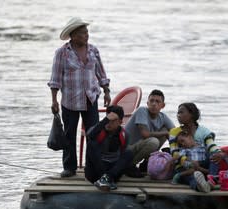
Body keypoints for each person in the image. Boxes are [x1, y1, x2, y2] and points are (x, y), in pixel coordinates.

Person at [48, 17, 111, 178]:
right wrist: (54, 100)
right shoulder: (62, 53)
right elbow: (55, 78)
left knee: (94, 134)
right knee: (69, 134)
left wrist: (106, 91)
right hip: (70, 100)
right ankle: (69, 167)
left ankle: (93, 166)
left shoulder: (93, 50)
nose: (86, 35)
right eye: (82, 33)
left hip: (90, 97)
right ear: (73, 35)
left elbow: (101, 73)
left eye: (87, 32)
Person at [168, 102, 223, 192]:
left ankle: (212, 179)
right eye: (178, 113)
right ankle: (200, 187)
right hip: (184, 167)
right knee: (191, 177)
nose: (178, 115)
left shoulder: (203, 131)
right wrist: (189, 162)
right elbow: (175, 153)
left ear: (191, 114)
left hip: (201, 164)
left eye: (181, 112)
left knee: (214, 155)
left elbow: (211, 145)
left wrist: (219, 153)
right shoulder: (174, 132)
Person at [124, 89, 175, 176]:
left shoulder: (162, 117)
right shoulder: (142, 111)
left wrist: (175, 151)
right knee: (154, 141)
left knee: (166, 132)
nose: (154, 104)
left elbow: (175, 132)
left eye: (157, 102)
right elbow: (145, 134)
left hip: (141, 147)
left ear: (163, 105)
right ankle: (129, 165)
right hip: (128, 149)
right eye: (151, 101)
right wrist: (166, 133)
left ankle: (147, 161)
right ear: (147, 103)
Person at [84, 105, 133, 191]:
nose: (108, 123)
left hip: (112, 173)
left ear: (120, 122)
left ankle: (106, 178)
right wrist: (104, 121)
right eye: (108, 119)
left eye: (113, 120)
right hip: (96, 172)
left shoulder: (124, 135)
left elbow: (122, 154)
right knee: (92, 144)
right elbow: (89, 135)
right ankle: (103, 178)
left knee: (129, 153)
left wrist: (111, 174)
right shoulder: (98, 130)